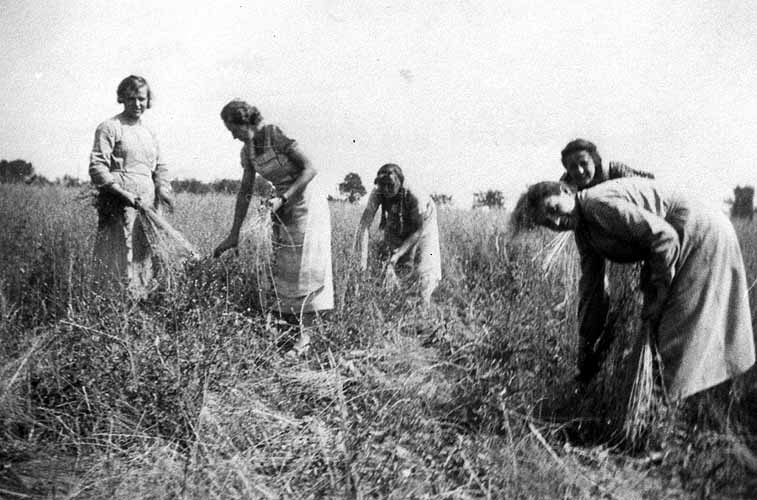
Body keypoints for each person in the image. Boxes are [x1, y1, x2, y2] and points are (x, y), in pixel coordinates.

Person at [522, 177, 755, 401]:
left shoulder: (596, 203)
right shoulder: (583, 230)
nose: (556, 222)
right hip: (684, 237)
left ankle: (679, 411)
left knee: (675, 330)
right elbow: (592, 288)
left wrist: (661, 293)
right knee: (674, 332)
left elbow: (665, 238)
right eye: (547, 223)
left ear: (566, 191)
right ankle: (674, 407)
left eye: (553, 209)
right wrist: (586, 340)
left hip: (699, 232)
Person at [213, 100, 333, 355]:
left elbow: (310, 169)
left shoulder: (274, 134)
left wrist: (284, 198)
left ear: (246, 121)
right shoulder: (248, 151)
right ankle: (289, 330)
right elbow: (245, 191)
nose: (233, 136)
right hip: (280, 205)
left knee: (304, 267)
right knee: (282, 266)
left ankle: (305, 339)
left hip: (306, 202)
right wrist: (234, 234)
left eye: (234, 129)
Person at [89, 75, 173, 297]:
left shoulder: (149, 133)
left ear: (148, 101)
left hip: (147, 202)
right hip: (119, 201)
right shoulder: (109, 127)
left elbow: (161, 166)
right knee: (120, 251)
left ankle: (141, 300)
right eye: (132, 98)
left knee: (144, 252)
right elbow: (97, 167)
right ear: (122, 98)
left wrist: (163, 189)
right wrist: (121, 193)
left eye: (142, 99)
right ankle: (114, 302)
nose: (137, 104)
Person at [355, 164, 441, 305]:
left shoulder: (415, 194)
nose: (387, 190)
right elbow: (364, 226)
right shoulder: (377, 192)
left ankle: (423, 306)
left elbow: (417, 230)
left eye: (391, 185)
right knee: (391, 265)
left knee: (424, 266)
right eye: (383, 186)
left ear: (399, 182)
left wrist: (400, 252)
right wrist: (362, 263)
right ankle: (394, 302)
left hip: (424, 220)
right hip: (397, 216)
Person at [560, 138, 654, 189]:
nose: (580, 171)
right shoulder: (565, 186)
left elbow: (644, 188)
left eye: (584, 163)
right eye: (573, 167)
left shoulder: (613, 171)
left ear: (595, 160)